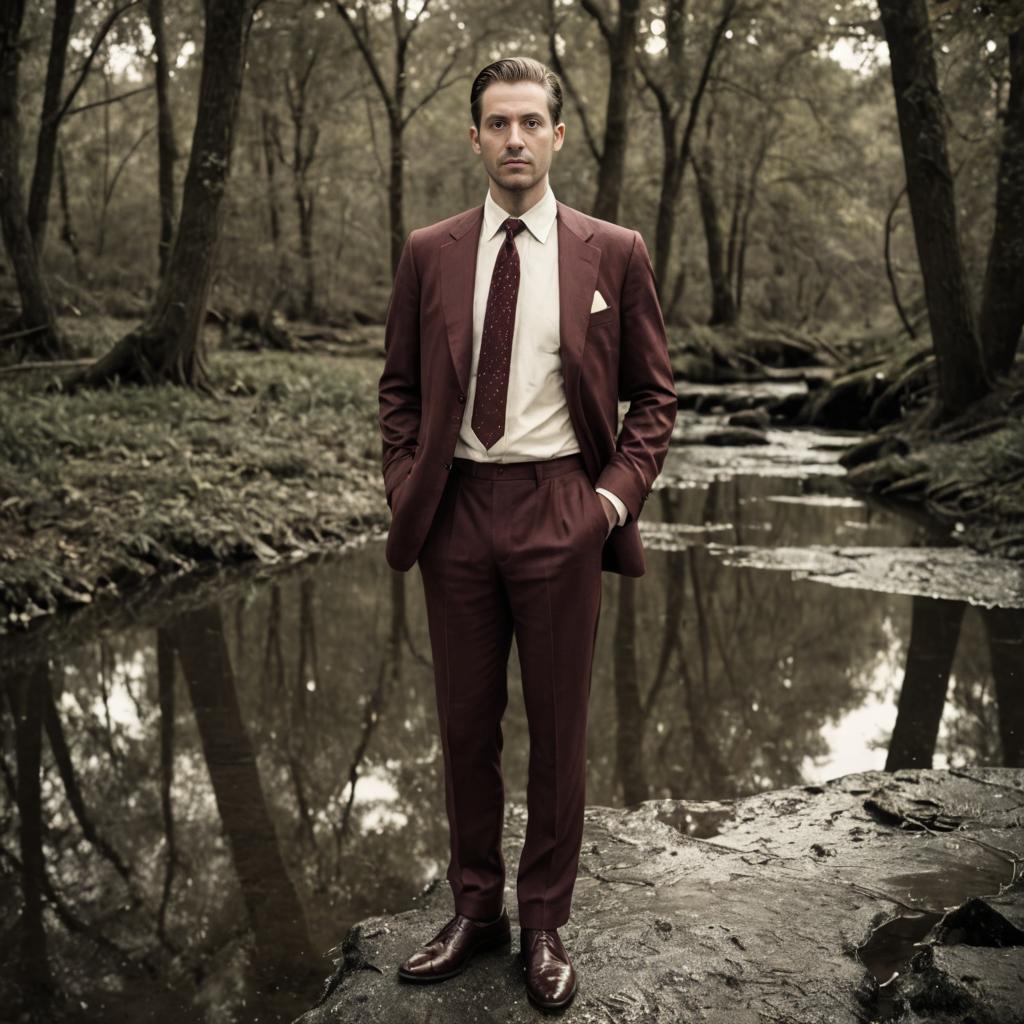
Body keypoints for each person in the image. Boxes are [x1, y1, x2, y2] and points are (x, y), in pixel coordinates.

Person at [378, 55, 678, 1011]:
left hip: (562, 508)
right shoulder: (429, 249)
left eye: (530, 122)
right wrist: (404, 489)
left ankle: (544, 919)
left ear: (557, 135)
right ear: (475, 138)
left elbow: (655, 397)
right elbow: (396, 389)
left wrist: (609, 504)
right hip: (455, 512)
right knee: (466, 727)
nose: (514, 139)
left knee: (557, 730)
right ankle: (477, 908)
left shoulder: (614, 251)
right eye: (497, 123)